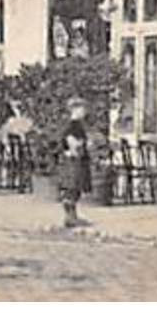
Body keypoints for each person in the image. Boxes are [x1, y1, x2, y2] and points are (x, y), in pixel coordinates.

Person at [59, 96, 94, 229]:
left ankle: (72, 216)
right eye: (82, 109)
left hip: (77, 159)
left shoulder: (78, 125)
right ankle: (70, 217)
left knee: (74, 188)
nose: (84, 112)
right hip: (74, 161)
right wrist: (78, 147)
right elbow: (70, 140)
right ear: (75, 109)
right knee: (72, 187)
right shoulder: (73, 126)